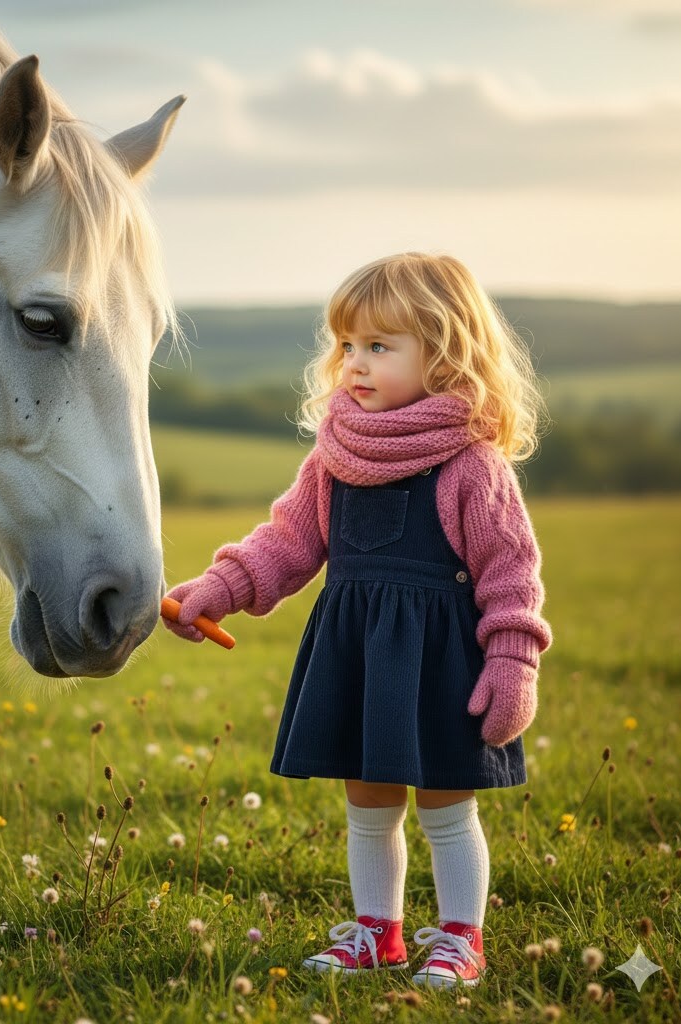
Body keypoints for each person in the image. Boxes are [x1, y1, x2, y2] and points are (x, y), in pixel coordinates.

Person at [161, 252, 552, 988]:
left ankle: (462, 939)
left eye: (379, 346)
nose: (354, 364)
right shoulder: (335, 456)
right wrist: (219, 585)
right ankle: (379, 933)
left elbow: (511, 574)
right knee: (367, 803)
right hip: (362, 656)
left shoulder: (471, 465)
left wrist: (512, 663)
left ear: (443, 352)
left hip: (441, 664)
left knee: (445, 803)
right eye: (346, 345)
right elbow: (286, 543)